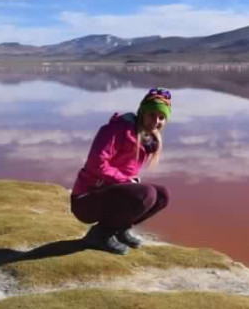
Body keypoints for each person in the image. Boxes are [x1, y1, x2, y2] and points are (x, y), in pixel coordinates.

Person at [70, 88, 172, 255]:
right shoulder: (116, 129)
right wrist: (125, 181)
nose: (157, 120)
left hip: (107, 193)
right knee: (146, 194)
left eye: (162, 117)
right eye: (152, 114)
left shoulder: (146, 140)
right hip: (86, 199)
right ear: (142, 113)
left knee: (163, 195)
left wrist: (127, 181)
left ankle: (119, 230)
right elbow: (97, 163)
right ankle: (99, 235)